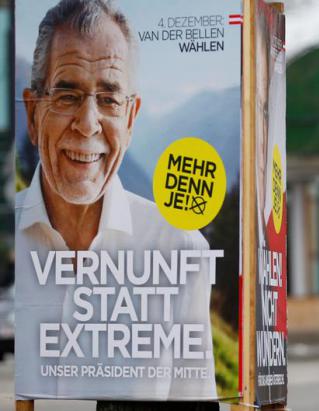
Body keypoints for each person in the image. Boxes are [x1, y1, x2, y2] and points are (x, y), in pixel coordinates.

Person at [15, 0, 216, 400]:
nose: (88, 123)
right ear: (33, 113)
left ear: (131, 117)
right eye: (68, 95)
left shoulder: (180, 248)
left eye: (108, 100)